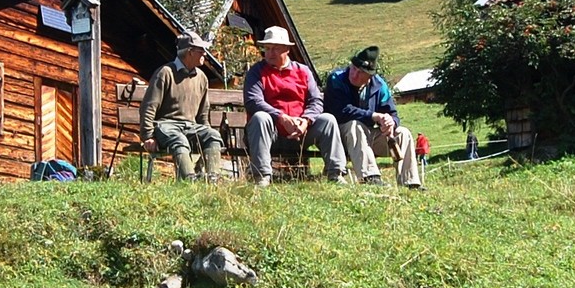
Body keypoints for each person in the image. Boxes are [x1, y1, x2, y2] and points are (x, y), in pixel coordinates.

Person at [241, 26, 347, 186]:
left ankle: (336, 174)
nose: (270, 53)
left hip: (301, 132)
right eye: (267, 48)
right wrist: (281, 117)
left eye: (275, 48)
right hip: (271, 132)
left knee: (328, 120)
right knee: (260, 117)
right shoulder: (256, 72)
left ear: (287, 49)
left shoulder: (303, 71)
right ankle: (262, 176)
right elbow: (253, 101)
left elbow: (316, 101)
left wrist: (306, 121)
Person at [323, 46, 423, 188]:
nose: (354, 74)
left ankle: (410, 183)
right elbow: (341, 110)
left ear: (369, 77)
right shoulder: (336, 79)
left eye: (360, 72)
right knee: (354, 125)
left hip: (369, 137)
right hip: (340, 138)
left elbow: (392, 113)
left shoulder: (379, 85)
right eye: (354, 69)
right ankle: (370, 178)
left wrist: (390, 122)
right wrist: (374, 116)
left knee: (403, 133)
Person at [140, 32, 225, 181]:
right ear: (189, 52)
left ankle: (213, 179)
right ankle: (188, 179)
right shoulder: (165, 73)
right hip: (166, 126)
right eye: (201, 50)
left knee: (213, 136)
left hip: (191, 127)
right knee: (179, 140)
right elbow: (148, 107)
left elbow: (203, 113)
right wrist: (148, 136)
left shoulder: (201, 77)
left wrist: (205, 133)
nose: (204, 54)